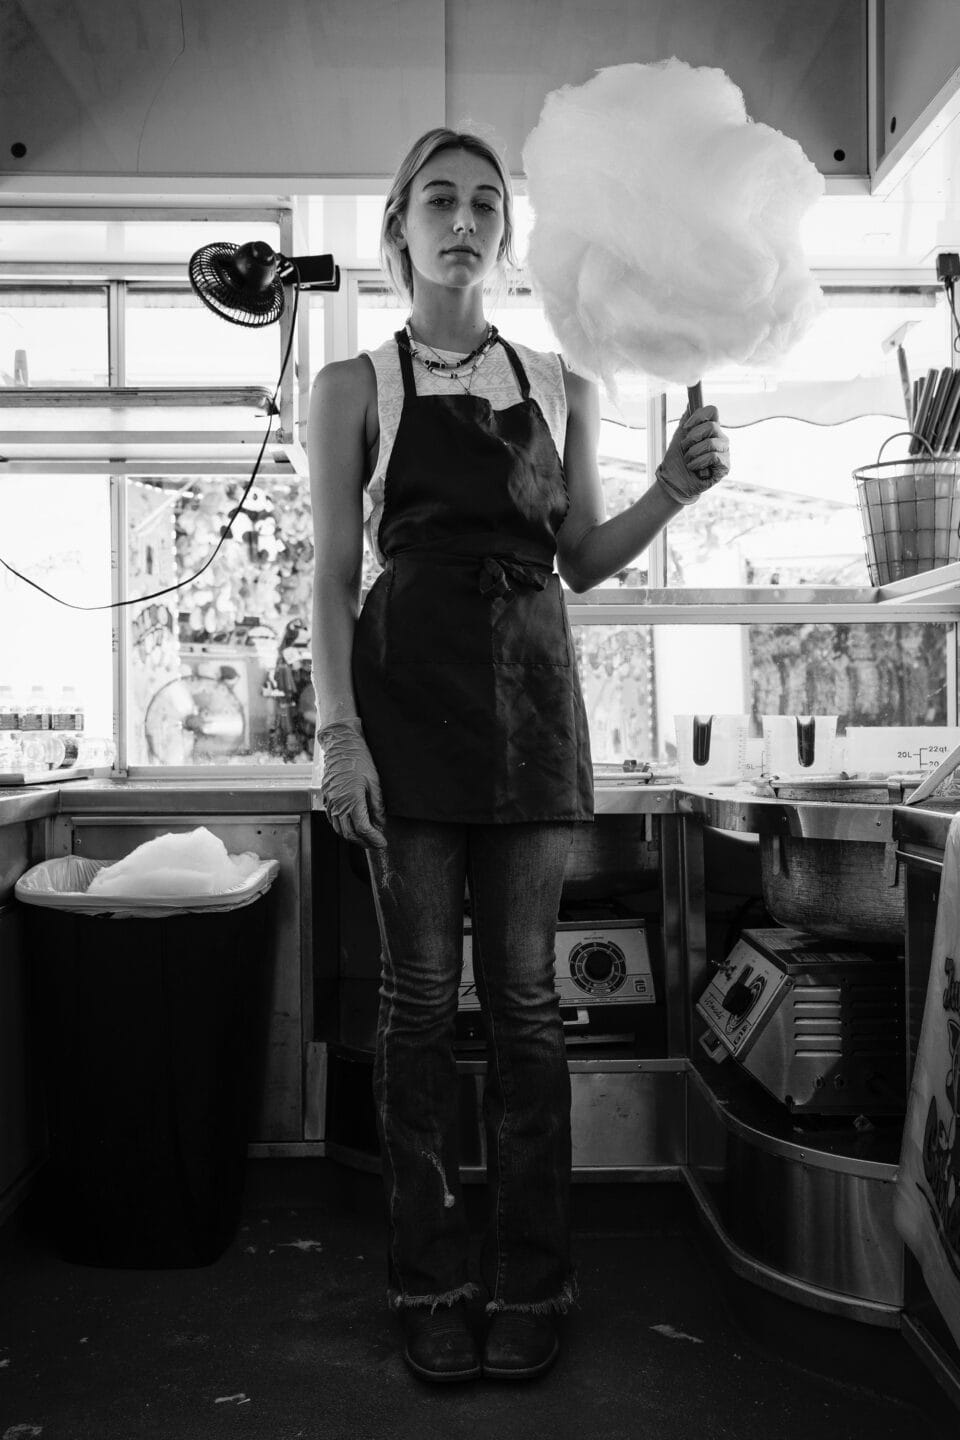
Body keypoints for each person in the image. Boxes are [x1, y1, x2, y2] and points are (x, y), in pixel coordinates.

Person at [309, 126, 730, 1385]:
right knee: (422, 1008)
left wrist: (671, 489)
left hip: (537, 715)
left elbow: (580, 562)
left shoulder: (558, 380)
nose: (466, 218)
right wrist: (338, 738)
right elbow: (332, 578)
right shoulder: (357, 386)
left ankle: (535, 1282)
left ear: (506, 231)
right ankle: (432, 1275)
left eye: (486, 202)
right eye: (440, 198)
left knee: (535, 1011)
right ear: (399, 228)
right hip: (405, 714)